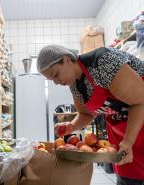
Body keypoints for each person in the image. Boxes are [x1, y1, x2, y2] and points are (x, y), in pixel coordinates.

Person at [37, 45, 144, 185]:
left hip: (136, 125)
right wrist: (71, 126)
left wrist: (129, 141)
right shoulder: (75, 85)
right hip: (122, 134)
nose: (56, 82)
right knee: (128, 179)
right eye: (52, 80)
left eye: (56, 74)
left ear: (67, 59)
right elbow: (87, 114)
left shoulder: (102, 61)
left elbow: (140, 101)